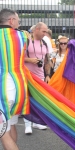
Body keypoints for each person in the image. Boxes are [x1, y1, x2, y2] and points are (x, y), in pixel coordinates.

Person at [0, 8, 29, 150]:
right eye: (18, 20)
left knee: (3, 133)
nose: (19, 23)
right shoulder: (23, 36)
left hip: (2, 92)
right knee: (10, 126)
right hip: (19, 88)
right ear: (11, 21)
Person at [24, 22, 52, 134]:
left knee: (38, 100)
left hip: (40, 77)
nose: (45, 34)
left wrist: (48, 75)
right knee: (27, 99)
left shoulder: (45, 42)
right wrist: (28, 60)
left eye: (46, 31)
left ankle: (36, 122)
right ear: (36, 29)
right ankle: (27, 125)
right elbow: (16, 58)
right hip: (27, 76)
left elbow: (47, 60)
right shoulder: (26, 41)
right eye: (43, 31)